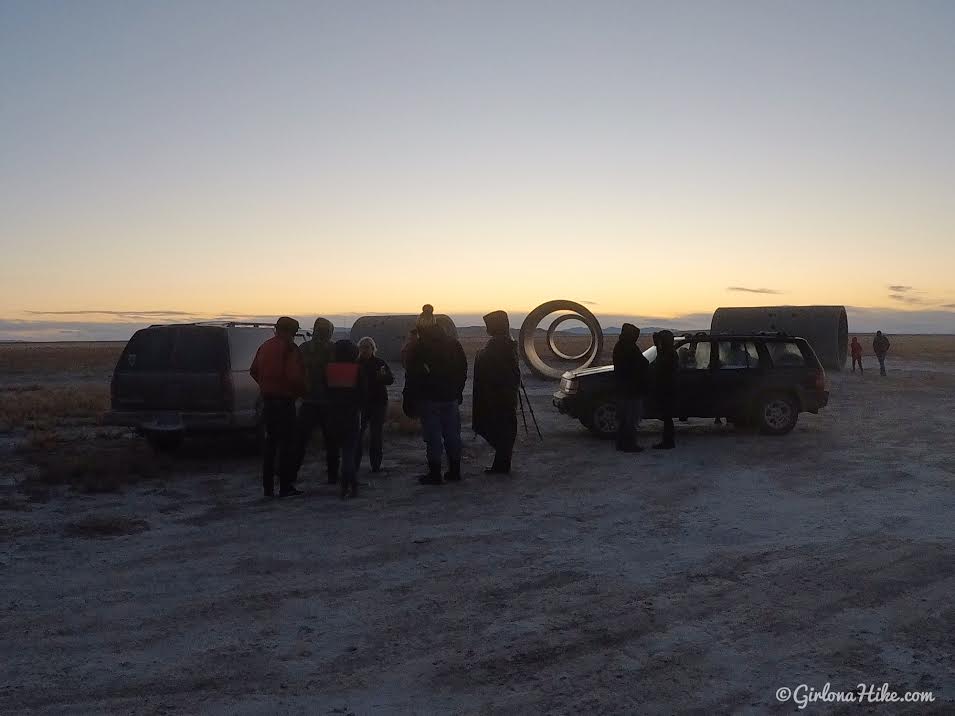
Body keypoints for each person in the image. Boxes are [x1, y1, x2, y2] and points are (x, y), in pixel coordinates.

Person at [405, 304, 468, 484]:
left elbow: (412, 375)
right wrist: (458, 391)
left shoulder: (418, 346)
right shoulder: (452, 343)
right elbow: (462, 368)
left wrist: (410, 398)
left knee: (433, 437)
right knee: (453, 435)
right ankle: (454, 472)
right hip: (450, 397)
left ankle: (435, 474)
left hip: (429, 399)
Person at [250, 317, 306, 497]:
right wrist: (299, 392)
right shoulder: (290, 348)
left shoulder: (265, 346)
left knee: (270, 445)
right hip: (285, 402)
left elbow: (254, 370)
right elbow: (294, 377)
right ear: (291, 332)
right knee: (287, 446)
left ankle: (268, 488)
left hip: (268, 401)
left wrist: (265, 386)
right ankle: (285, 486)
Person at [472, 310, 520, 474]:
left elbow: (491, 370)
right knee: (505, 429)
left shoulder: (497, 347)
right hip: (506, 396)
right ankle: (502, 464)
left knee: (498, 429)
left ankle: (501, 465)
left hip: (496, 397)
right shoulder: (509, 344)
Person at [296, 317, 339, 484]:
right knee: (331, 442)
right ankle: (333, 476)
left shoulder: (304, 348)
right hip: (327, 402)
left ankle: (290, 475)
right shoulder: (333, 349)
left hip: (309, 401)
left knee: (300, 442)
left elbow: (297, 372)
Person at [325, 339, 367, 498]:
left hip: (333, 415)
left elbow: (325, 390)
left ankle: (341, 481)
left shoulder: (328, 369)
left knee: (337, 450)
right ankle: (349, 484)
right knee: (349, 453)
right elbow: (363, 394)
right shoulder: (357, 370)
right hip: (351, 415)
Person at [355, 336, 394, 473]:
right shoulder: (356, 364)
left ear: (373, 349)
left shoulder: (379, 363)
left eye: (367, 347)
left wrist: (382, 377)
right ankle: (355, 464)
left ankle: (376, 465)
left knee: (376, 435)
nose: (364, 350)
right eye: (362, 347)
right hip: (361, 404)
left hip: (378, 403)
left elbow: (390, 380)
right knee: (357, 435)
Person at [612, 323, 649, 452]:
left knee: (624, 419)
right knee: (630, 419)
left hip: (624, 388)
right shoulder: (628, 347)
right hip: (631, 390)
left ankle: (621, 443)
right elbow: (642, 363)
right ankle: (629, 444)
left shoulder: (621, 346)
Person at [652, 330, 679, 450]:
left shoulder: (669, 354)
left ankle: (668, 442)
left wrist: (658, 345)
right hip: (667, 388)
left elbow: (660, 365)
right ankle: (668, 441)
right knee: (667, 417)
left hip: (667, 388)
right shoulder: (669, 352)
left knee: (667, 418)